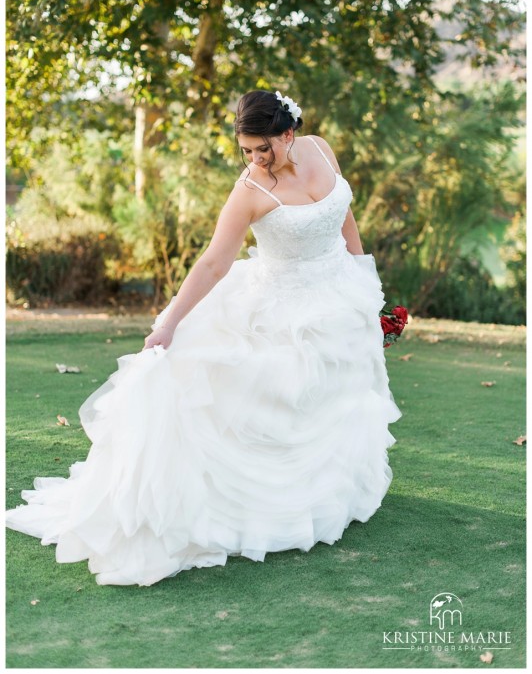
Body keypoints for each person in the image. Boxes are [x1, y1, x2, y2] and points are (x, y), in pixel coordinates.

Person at [5, 89, 402, 587]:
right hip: (280, 307)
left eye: (265, 148)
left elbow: (343, 215)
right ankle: (267, 506)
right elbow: (214, 262)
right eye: (247, 151)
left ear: (289, 132)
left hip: (339, 295)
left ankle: (329, 495)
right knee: (276, 400)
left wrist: (364, 280)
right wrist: (168, 323)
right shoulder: (251, 191)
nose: (257, 159)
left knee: (336, 398)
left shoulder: (322, 149)